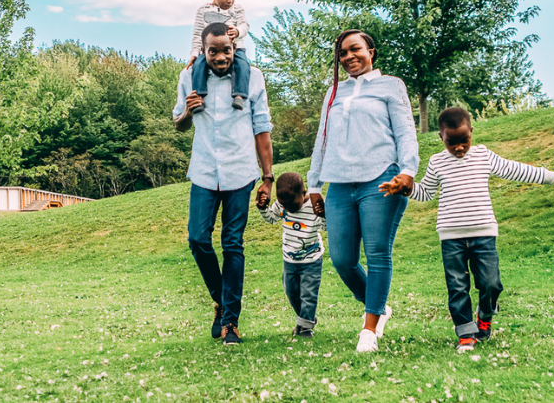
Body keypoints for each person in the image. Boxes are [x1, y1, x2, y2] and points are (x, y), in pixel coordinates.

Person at [380, 107, 554, 352]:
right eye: (452, 143)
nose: (459, 148)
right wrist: (406, 189)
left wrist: (552, 177)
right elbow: (427, 192)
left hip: (484, 234)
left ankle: (485, 313)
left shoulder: (484, 155)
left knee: (491, 283)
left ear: (471, 132)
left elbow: (515, 169)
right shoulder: (437, 162)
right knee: (457, 287)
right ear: (441, 137)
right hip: (451, 237)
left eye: (464, 141)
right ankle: (465, 333)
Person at [305, 29, 419, 353]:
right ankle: (379, 304)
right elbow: (322, 140)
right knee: (342, 259)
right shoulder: (333, 92)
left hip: (381, 177)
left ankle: (368, 332)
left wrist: (408, 170)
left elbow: (406, 132)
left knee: (378, 252)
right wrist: (314, 184)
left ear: (371, 51)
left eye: (355, 49)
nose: (348, 57)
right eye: (342, 53)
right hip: (340, 182)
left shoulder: (391, 85)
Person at [174, 21, 274, 346]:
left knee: (233, 243)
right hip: (203, 171)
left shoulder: (253, 77)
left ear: (234, 48)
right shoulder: (188, 77)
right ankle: (221, 299)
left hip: (240, 172)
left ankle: (230, 320)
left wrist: (267, 177)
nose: (220, 57)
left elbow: (262, 129)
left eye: (226, 51)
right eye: (213, 51)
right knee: (197, 238)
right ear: (202, 52)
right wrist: (186, 114)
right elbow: (178, 124)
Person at [257, 171, 325, 337]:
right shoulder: (283, 205)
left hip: (311, 258)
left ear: (304, 193)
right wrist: (262, 208)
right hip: (289, 259)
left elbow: (325, 227)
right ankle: (303, 320)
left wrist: (323, 214)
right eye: (284, 206)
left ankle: (306, 327)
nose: (288, 209)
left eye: (293, 206)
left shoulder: (313, 206)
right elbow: (272, 218)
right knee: (291, 291)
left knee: (308, 294)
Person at [188, 0, 252, 113]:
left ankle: (239, 95)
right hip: (209, 52)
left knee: (242, 64)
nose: (230, 0)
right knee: (198, 65)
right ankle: (199, 95)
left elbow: (245, 25)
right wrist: (194, 53)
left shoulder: (237, 9)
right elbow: (198, 33)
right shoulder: (203, 11)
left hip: (235, 49)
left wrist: (237, 31)